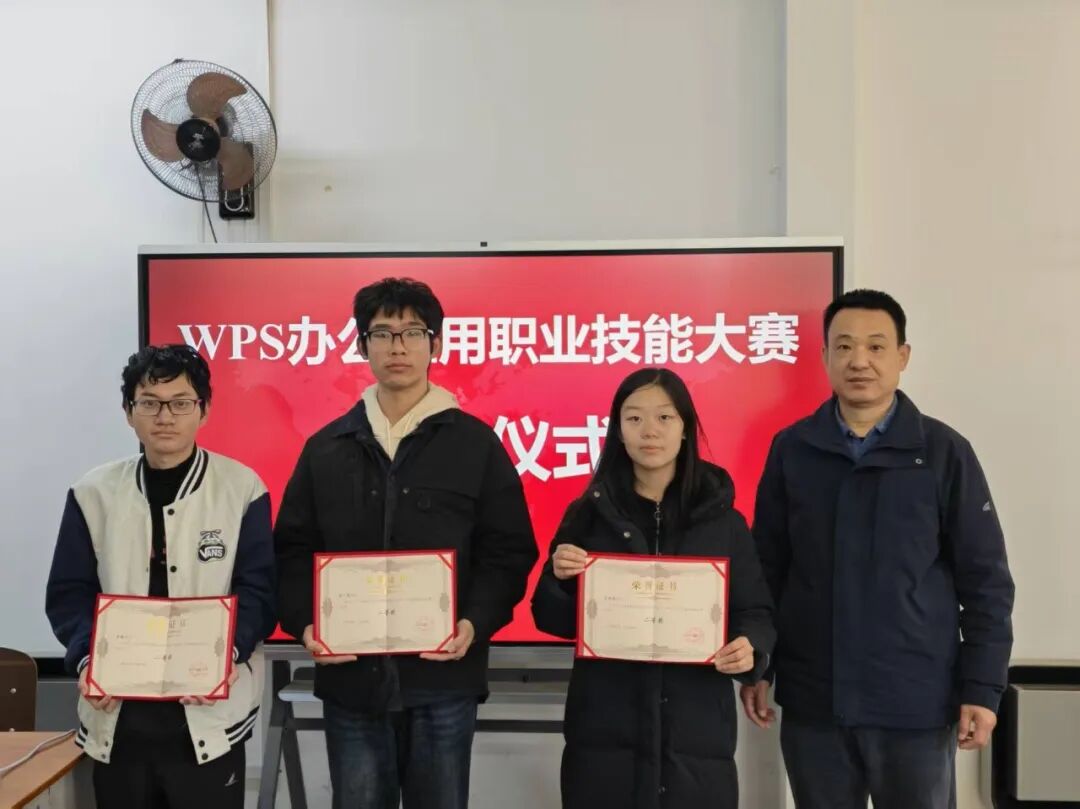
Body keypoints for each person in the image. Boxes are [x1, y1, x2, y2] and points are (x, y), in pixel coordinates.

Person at [742, 289, 1015, 809]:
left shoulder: (943, 452)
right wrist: (760, 665)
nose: (859, 361)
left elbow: (987, 583)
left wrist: (983, 688)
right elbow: (767, 570)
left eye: (875, 346)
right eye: (844, 347)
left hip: (915, 702)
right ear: (825, 357)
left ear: (902, 357)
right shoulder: (793, 449)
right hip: (815, 700)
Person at [274, 277, 538, 809]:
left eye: (413, 332)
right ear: (362, 345)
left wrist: (474, 622)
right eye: (382, 333)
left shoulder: (475, 444)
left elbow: (508, 551)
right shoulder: (326, 448)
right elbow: (291, 551)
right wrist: (305, 625)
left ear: (435, 344)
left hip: (444, 681)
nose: (398, 346)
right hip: (351, 680)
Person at [531, 367, 775, 809]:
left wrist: (750, 648)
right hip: (604, 735)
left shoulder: (724, 522)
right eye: (634, 418)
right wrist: (560, 580)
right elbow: (549, 619)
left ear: (685, 428)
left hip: (697, 738)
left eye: (664, 417)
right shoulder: (587, 515)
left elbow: (755, 611)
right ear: (618, 430)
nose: (650, 431)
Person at [45, 344, 277, 809]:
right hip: (119, 715)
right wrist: (89, 659)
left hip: (208, 714)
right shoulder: (93, 492)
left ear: (204, 410)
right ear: (128, 412)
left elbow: (259, 591)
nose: (165, 416)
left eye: (180, 403)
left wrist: (226, 653)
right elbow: (69, 594)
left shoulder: (241, 487)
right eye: (149, 403)